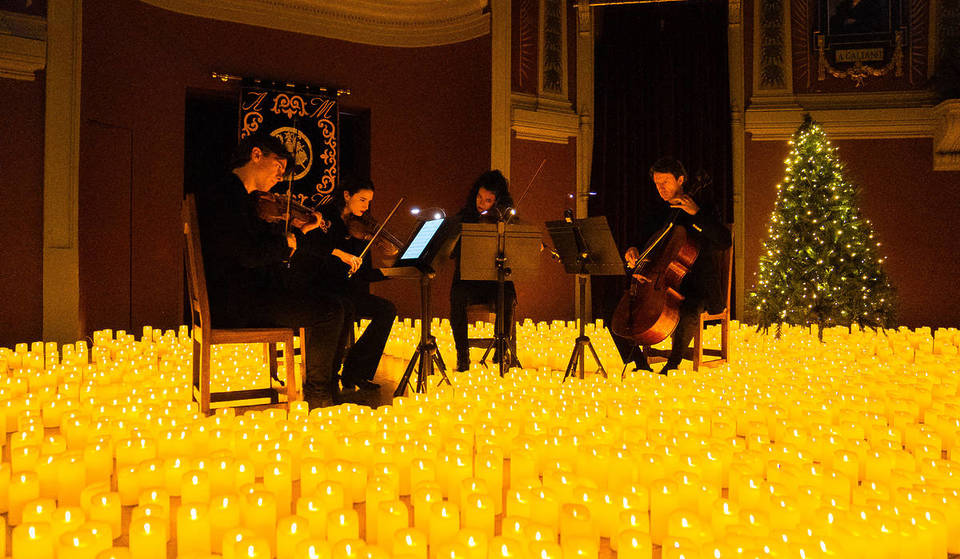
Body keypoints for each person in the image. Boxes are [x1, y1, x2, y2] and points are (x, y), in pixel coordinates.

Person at [195, 132, 348, 407]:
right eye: (278, 166)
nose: (280, 176)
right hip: (238, 302)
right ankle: (318, 395)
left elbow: (255, 247)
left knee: (334, 304)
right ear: (256, 155)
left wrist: (295, 235)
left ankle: (323, 388)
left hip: (239, 295)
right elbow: (250, 254)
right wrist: (287, 242)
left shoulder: (232, 195)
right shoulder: (226, 198)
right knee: (330, 311)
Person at [617, 157, 731, 374]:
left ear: (680, 180)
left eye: (665, 182)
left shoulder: (703, 206)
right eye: (657, 184)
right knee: (616, 312)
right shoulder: (658, 210)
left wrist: (696, 214)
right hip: (660, 283)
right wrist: (632, 249)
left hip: (698, 284)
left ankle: (672, 365)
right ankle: (640, 364)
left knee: (688, 310)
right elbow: (641, 239)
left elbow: (724, 241)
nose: (660, 188)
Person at [288, 177, 398, 391]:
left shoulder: (360, 227)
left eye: (369, 202)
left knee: (387, 310)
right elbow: (311, 249)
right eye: (362, 200)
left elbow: (363, 274)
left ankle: (355, 372)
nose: (366, 207)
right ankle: (329, 375)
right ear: (347, 196)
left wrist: (391, 271)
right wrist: (341, 254)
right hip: (320, 286)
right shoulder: (325, 217)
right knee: (343, 307)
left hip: (345, 289)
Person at [449, 170, 518, 372]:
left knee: (508, 295)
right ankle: (463, 355)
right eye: (479, 197)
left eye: (488, 200)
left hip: (494, 281)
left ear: (497, 202)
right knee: (457, 298)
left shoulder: (506, 220)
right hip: (467, 281)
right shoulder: (464, 217)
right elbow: (451, 251)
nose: (481, 203)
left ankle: (501, 350)